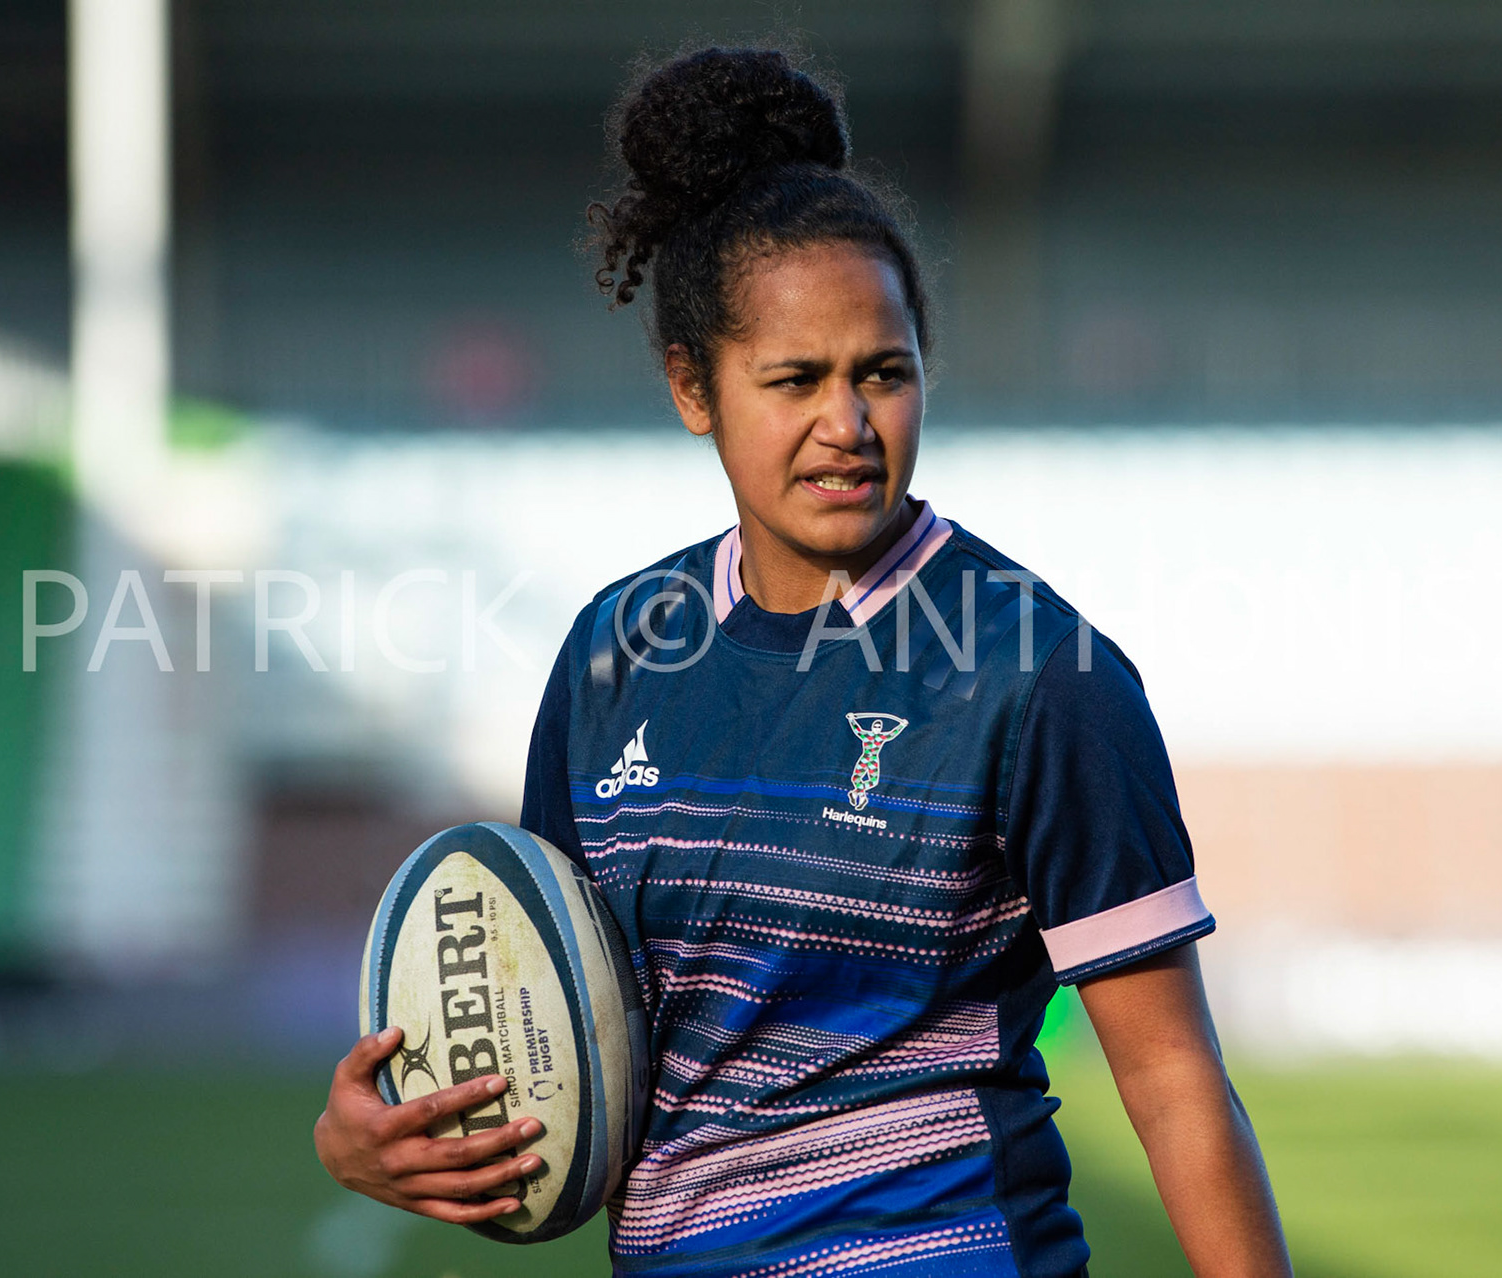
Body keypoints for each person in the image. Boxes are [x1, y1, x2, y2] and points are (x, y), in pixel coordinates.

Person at [316, 45, 1292, 1278]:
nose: (850, 424)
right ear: (694, 388)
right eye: (796, 381)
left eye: (884, 373)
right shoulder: (613, 658)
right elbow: (561, 1041)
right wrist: (378, 1142)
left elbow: (1172, 1078)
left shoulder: (1041, 674)